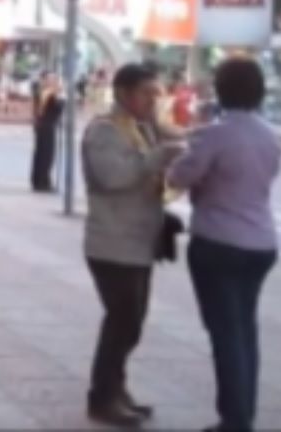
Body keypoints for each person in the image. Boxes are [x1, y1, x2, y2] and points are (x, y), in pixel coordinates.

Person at [166, 58, 281, 432]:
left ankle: (234, 420)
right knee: (245, 329)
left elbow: (179, 176)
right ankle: (243, 412)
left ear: (220, 89)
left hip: (219, 241)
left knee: (225, 332)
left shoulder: (213, 134)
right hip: (261, 242)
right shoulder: (270, 136)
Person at [80, 63, 183, 427]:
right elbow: (113, 176)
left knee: (132, 322)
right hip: (111, 243)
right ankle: (102, 397)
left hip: (139, 241)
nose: (153, 101)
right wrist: (158, 157)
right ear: (123, 93)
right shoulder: (104, 131)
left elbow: (155, 173)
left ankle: (116, 389)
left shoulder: (143, 129)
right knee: (121, 321)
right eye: (146, 93)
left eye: (156, 94)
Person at [30, 73, 65, 193]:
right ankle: (43, 182)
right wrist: (60, 97)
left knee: (40, 155)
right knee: (46, 156)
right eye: (52, 80)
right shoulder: (49, 94)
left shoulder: (40, 92)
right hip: (47, 126)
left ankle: (37, 180)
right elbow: (58, 108)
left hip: (41, 125)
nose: (55, 82)